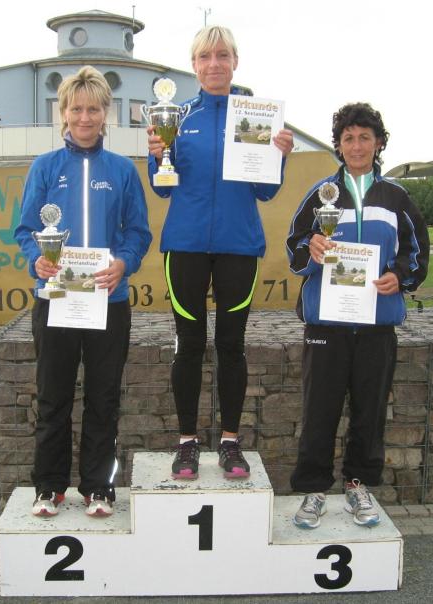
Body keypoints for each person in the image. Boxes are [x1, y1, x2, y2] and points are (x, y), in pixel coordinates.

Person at [146, 25, 294, 481]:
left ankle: (231, 443)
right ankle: (186, 444)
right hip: (185, 246)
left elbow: (265, 192)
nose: (214, 64)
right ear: (193, 65)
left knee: (232, 345)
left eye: (222, 55)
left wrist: (278, 156)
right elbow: (162, 187)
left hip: (239, 245)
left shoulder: (254, 116)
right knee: (188, 344)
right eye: (205, 56)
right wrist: (157, 154)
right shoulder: (177, 116)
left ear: (235, 62)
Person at [14, 66, 152, 518]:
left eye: (93, 109)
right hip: (55, 298)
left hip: (108, 301)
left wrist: (123, 263)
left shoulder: (122, 170)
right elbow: (25, 229)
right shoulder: (45, 167)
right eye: (76, 109)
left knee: (103, 399)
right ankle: (49, 488)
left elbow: (138, 232)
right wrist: (36, 259)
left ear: (105, 113)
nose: (85, 117)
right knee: (52, 398)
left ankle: (99, 488)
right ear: (64, 113)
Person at [285, 102, 429, 529]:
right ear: (339, 145)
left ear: (378, 142)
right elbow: (294, 249)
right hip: (326, 325)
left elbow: (416, 252)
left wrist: (398, 276)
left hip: (377, 325)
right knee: (319, 410)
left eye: (365, 137)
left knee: (370, 410)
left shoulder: (396, 197)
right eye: (348, 138)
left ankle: (358, 486)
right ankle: (313, 490)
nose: (357, 145)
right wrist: (311, 248)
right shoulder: (321, 194)